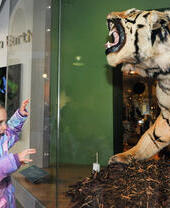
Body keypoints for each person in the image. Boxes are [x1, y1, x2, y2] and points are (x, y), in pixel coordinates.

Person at [0, 98, 36, 208]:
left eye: (4, 121)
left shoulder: (2, 138)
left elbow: (11, 130)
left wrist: (20, 115)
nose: (5, 126)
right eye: (0, 122)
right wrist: (15, 159)